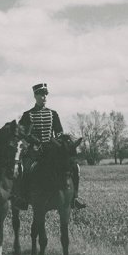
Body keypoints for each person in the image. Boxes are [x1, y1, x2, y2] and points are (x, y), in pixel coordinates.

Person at [13, 82, 86, 210]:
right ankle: (22, 198)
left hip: (51, 150)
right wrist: (31, 140)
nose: (44, 97)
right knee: (24, 169)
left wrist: (57, 142)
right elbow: (21, 134)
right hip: (34, 151)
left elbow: (59, 132)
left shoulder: (53, 114)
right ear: (35, 96)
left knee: (75, 167)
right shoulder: (27, 115)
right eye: (41, 94)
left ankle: (74, 198)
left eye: (46, 94)